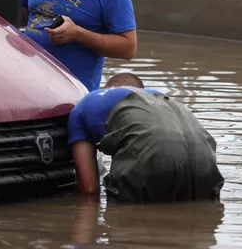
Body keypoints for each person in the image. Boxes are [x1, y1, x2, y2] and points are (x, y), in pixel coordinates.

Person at [67, 72, 225, 203]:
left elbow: (89, 188)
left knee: (124, 223)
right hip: (205, 159)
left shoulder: (87, 102)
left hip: (153, 152)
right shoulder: (161, 98)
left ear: (107, 88)